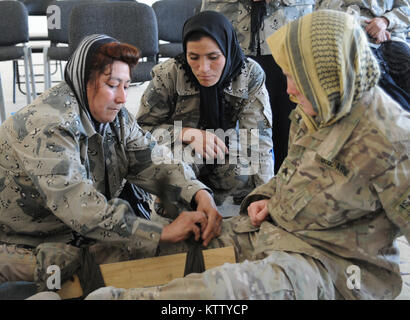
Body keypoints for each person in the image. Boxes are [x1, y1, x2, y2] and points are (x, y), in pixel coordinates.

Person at [86, 10, 409, 300]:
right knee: (173, 247)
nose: (288, 90)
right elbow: (294, 175)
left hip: (328, 266)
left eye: (295, 76)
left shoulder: (392, 141)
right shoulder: (318, 111)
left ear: (325, 71)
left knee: (219, 290)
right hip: (273, 232)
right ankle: (63, 273)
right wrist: (266, 197)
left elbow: (260, 145)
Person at [0, 34, 223, 286]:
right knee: (64, 272)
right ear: (83, 81)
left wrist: (199, 194)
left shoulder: (116, 117)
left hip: (75, 233)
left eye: (126, 86)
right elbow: (83, 209)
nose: (122, 98)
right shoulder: (48, 127)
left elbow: (154, 162)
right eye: (112, 84)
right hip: (22, 239)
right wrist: (161, 232)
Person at [136, 11, 274, 208]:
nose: (203, 68)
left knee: (243, 169)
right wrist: (186, 133)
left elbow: (258, 139)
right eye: (194, 57)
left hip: (222, 143)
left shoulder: (249, 74)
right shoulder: (168, 74)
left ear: (227, 50)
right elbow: (140, 131)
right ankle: (179, 202)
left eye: (213, 57)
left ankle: (206, 200)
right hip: (178, 148)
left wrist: (264, 197)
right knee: (177, 168)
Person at [201, 0, 315, 173]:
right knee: (231, 114)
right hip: (230, 29)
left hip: (288, 29)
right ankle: (238, 179)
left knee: (287, 114)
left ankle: (285, 177)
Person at [316, 0, 410, 111]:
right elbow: (320, 12)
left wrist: (386, 21)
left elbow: (406, 9)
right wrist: (359, 28)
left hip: (390, 37)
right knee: (381, 91)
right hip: (348, 37)